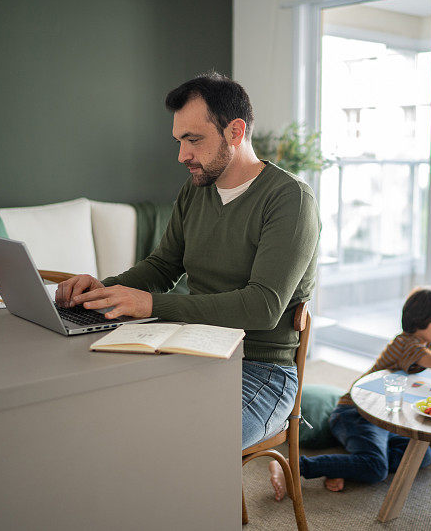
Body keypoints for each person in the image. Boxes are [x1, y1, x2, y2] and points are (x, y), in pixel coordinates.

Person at [54, 72, 320, 450]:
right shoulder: (196, 191)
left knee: (186, 442)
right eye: (180, 140)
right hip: (191, 348)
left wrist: (151, 303)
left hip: (260, 369)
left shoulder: (290, 200)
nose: (183, 155)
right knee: (106, 415)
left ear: (235, 131)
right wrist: (105, 289)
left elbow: (263, 308)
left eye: (194, 140)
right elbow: (163, 266)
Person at [269, 286, 431, 498]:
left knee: (422, 457)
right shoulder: (407, 344)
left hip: (387, 420)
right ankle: (295, 466)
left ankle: (349, 466)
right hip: (356, 414)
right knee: (377, 468)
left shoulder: (423, 346)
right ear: (420, 321)